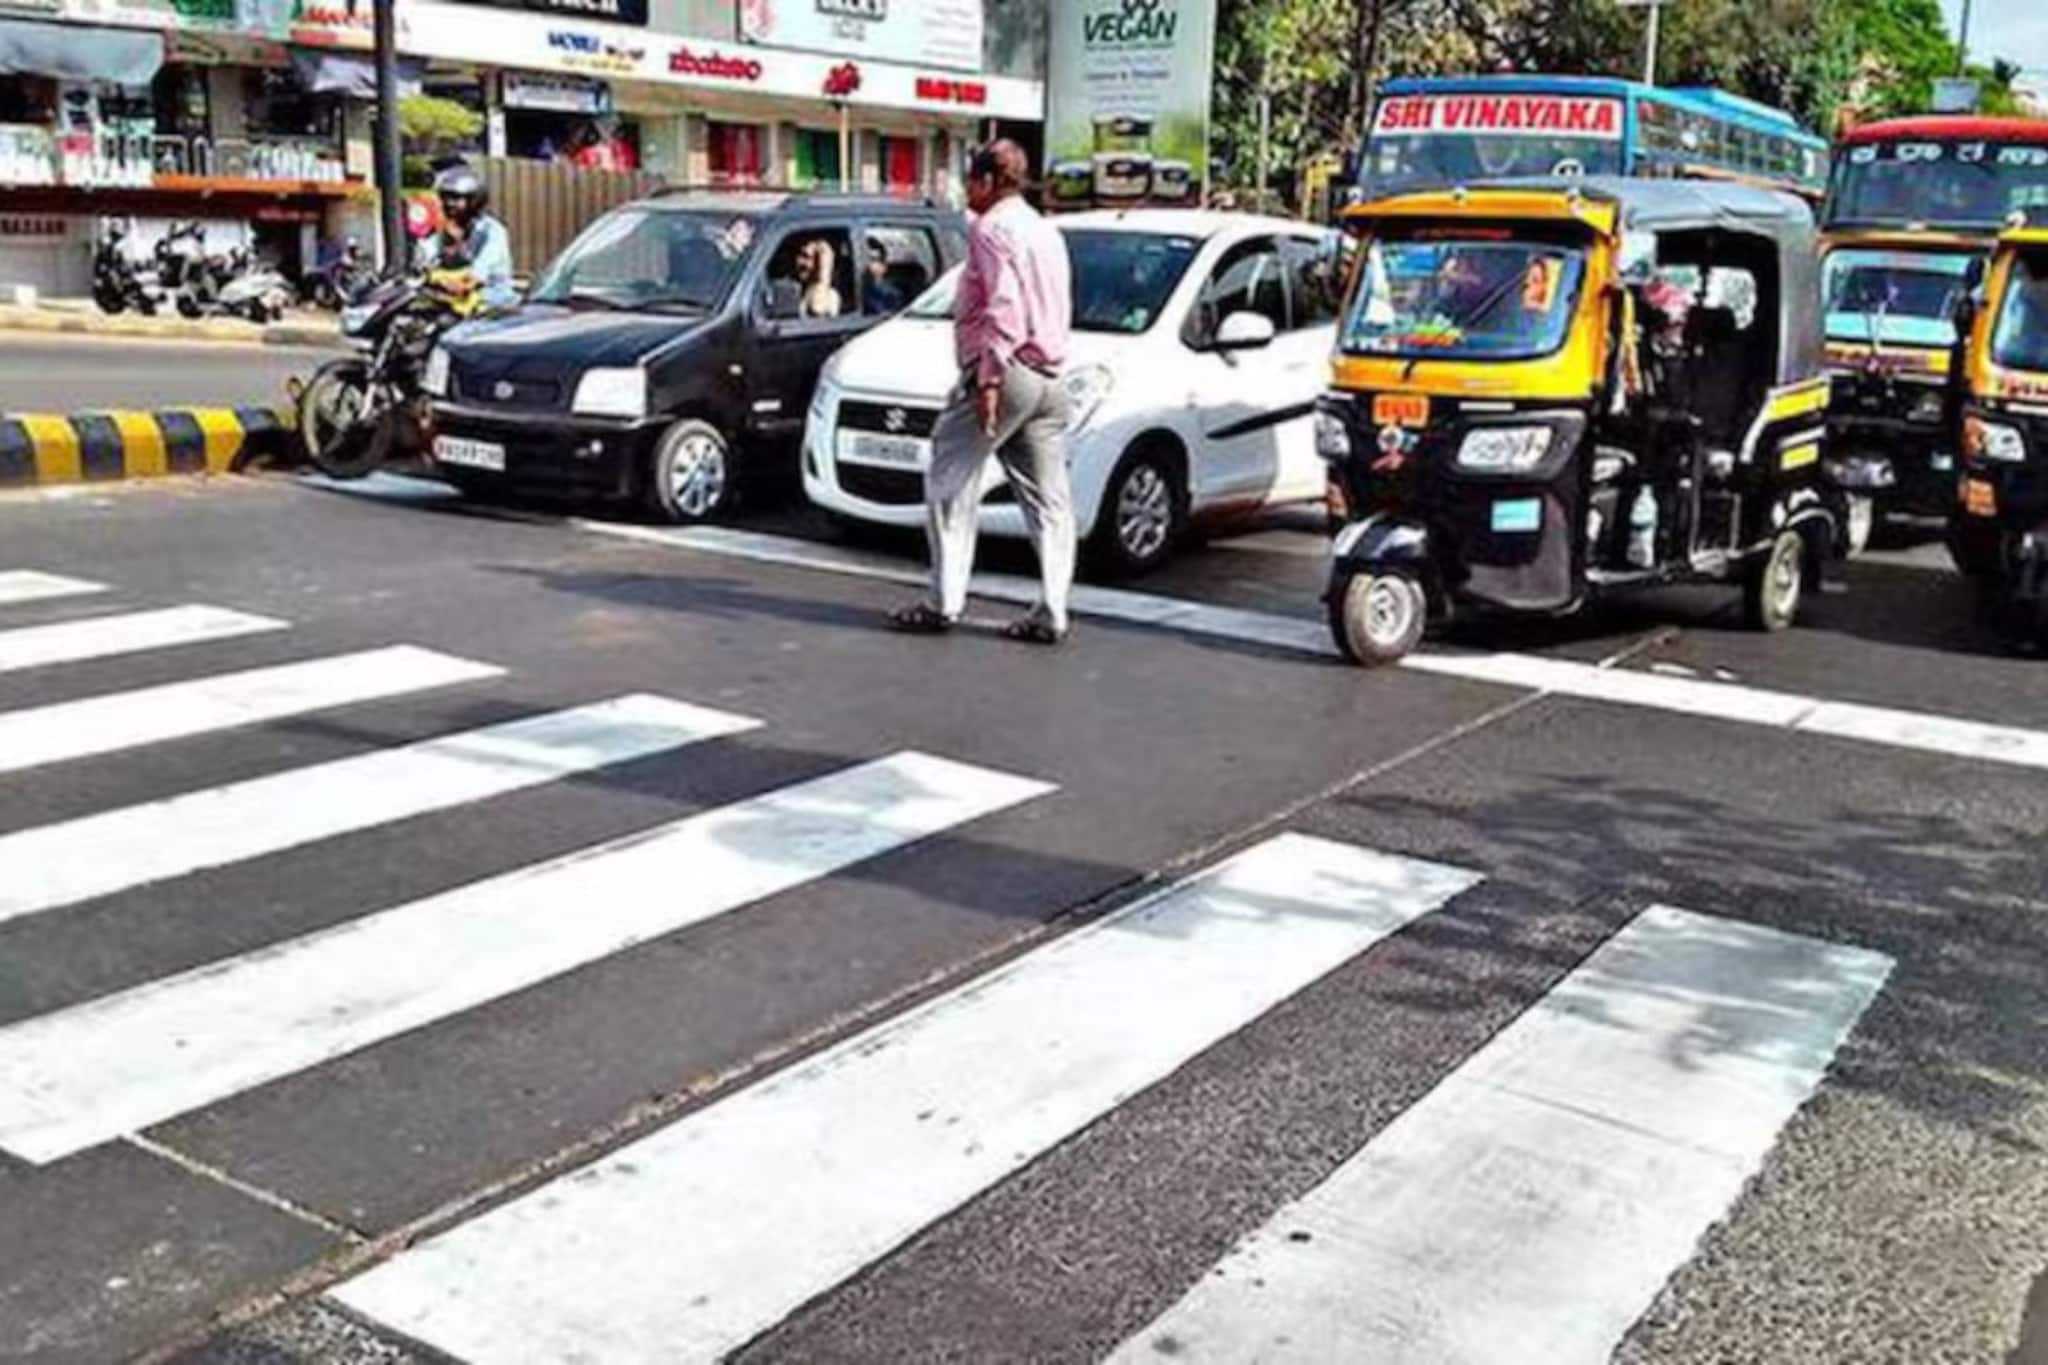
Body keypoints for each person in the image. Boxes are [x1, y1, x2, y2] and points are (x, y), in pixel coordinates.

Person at [889, 139, 1075, 644]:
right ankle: (1053, 610)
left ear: (990, 182)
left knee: (950, 481)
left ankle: (942, 603)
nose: (966, 189)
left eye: (971, 178)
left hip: (1006, 369)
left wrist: (989, 378)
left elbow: (1005, 307)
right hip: (1051, 375)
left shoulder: (992, 230)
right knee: (1050, 502)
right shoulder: (1045, 231)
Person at [424, 164, 518, 310]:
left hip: (492, 302)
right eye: (445, 198)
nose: (449, 203)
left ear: (473, 201)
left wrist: (462, 282)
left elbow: (479, 270)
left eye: (455, 198)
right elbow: (427, 256)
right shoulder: (443, 230)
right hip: (456, 301)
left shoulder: (492, 231)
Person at [797, 237, 841, 318]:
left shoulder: (831, 296)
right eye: (799, 256)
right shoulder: (797, 289)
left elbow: (817, 309)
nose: (800, 261)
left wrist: (823, 275)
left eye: (807, 257)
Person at [863, 237, 905, 315]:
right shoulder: (857, 289)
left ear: (884, 267)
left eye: (874, 260)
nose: (868, 265)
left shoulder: (890, 294)